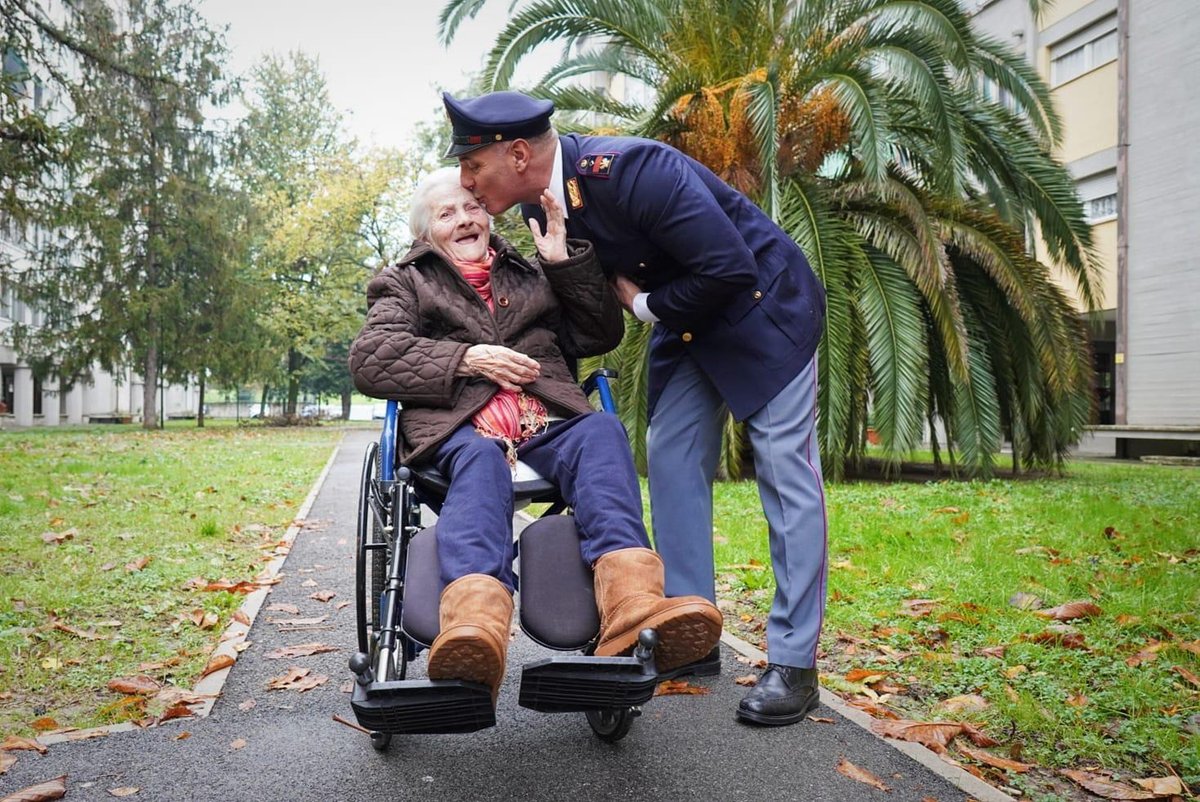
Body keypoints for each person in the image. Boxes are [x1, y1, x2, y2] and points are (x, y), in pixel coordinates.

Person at [441, 90, 828, 726]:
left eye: (472, 166)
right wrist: (563, 268)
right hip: (689, 328)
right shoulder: (545, 212)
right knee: (672, 464)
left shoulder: (636, 170)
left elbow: (729, 267)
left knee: (787, 478)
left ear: (516, 154)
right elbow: (589, 325)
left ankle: (794, 663)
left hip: (764, 314)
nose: (465, 181)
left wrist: (645, 306)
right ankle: (687, 631)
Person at [348, 167, 722, 703]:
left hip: (546, 419)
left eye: (470, 207)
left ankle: (632, 605)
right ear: (426, 234)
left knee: (599, 431)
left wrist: (561, 264)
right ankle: (474, 624)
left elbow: (600, 332)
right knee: (478, 462)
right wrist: (467, 358)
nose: (463, 219)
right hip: (460, 427)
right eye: (446, 213)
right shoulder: (406, 282)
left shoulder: (527, 273)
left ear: (488, 215)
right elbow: (371, 359)